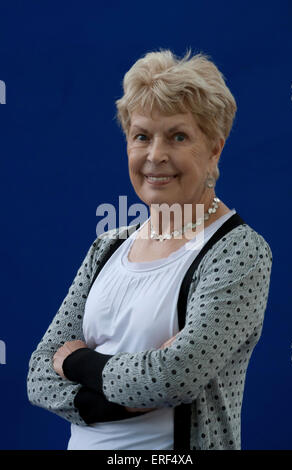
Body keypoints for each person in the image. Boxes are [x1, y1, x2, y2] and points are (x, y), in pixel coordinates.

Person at [27, 48, 273, 450]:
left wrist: (76, 363)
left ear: (215, 149)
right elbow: (39, 373)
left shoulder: (238, 252)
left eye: (178, 136)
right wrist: (121, 397)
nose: (155, 155)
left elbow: (172, 378)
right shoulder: (107, 246)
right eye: (142, 136)